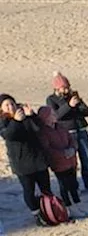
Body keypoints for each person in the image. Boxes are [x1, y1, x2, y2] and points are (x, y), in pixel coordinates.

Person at [1, 94, 54, 224]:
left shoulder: (23, 115)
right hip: (21, 162)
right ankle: (37, 214)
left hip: (37, 158)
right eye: (7, 105)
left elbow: (38, 129)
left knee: (46, 188)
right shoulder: (3, 121)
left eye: (12, 103)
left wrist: (31, 116)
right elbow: (9, 135)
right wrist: (16, 121)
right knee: (29, 191)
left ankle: (50, 211)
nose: (11, 107)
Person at [47, 73, 88, 191]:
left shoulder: (73, 96)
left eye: (68, 87)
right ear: (57, 88)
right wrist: (69, 105)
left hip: (81, 130)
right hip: (67, 133)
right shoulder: (51, 100)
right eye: (64, 87)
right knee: (71, 161)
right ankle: (74, 187)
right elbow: (56, 116)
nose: (67, 90)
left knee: (86, 158)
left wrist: (79, 104)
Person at [37, 105, 81, 210]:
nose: (54, 115)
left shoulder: (61, 127)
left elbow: (71, 139)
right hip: (59, 164)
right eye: (52, 114)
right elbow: (48, 149)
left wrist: (72, 148)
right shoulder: (44, 132)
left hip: (71, 160)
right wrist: (63, 153)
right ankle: (68, 206)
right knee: (64, 185)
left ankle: (78, 204)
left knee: (73, 184)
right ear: (46, 117)